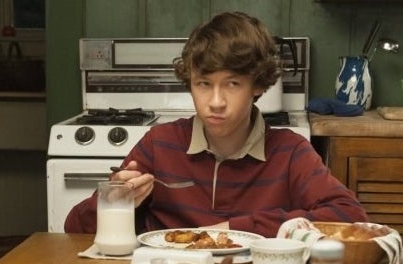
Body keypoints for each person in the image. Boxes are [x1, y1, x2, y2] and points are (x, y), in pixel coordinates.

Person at [64, 11, 369, 237]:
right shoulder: (159, 144)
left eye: (233, 84)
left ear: (259, 86)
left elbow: (349, 216)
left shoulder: (290, 152)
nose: (216, 101)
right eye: (203, 83)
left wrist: (234, 230)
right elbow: (75, 229)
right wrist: (112, 200)